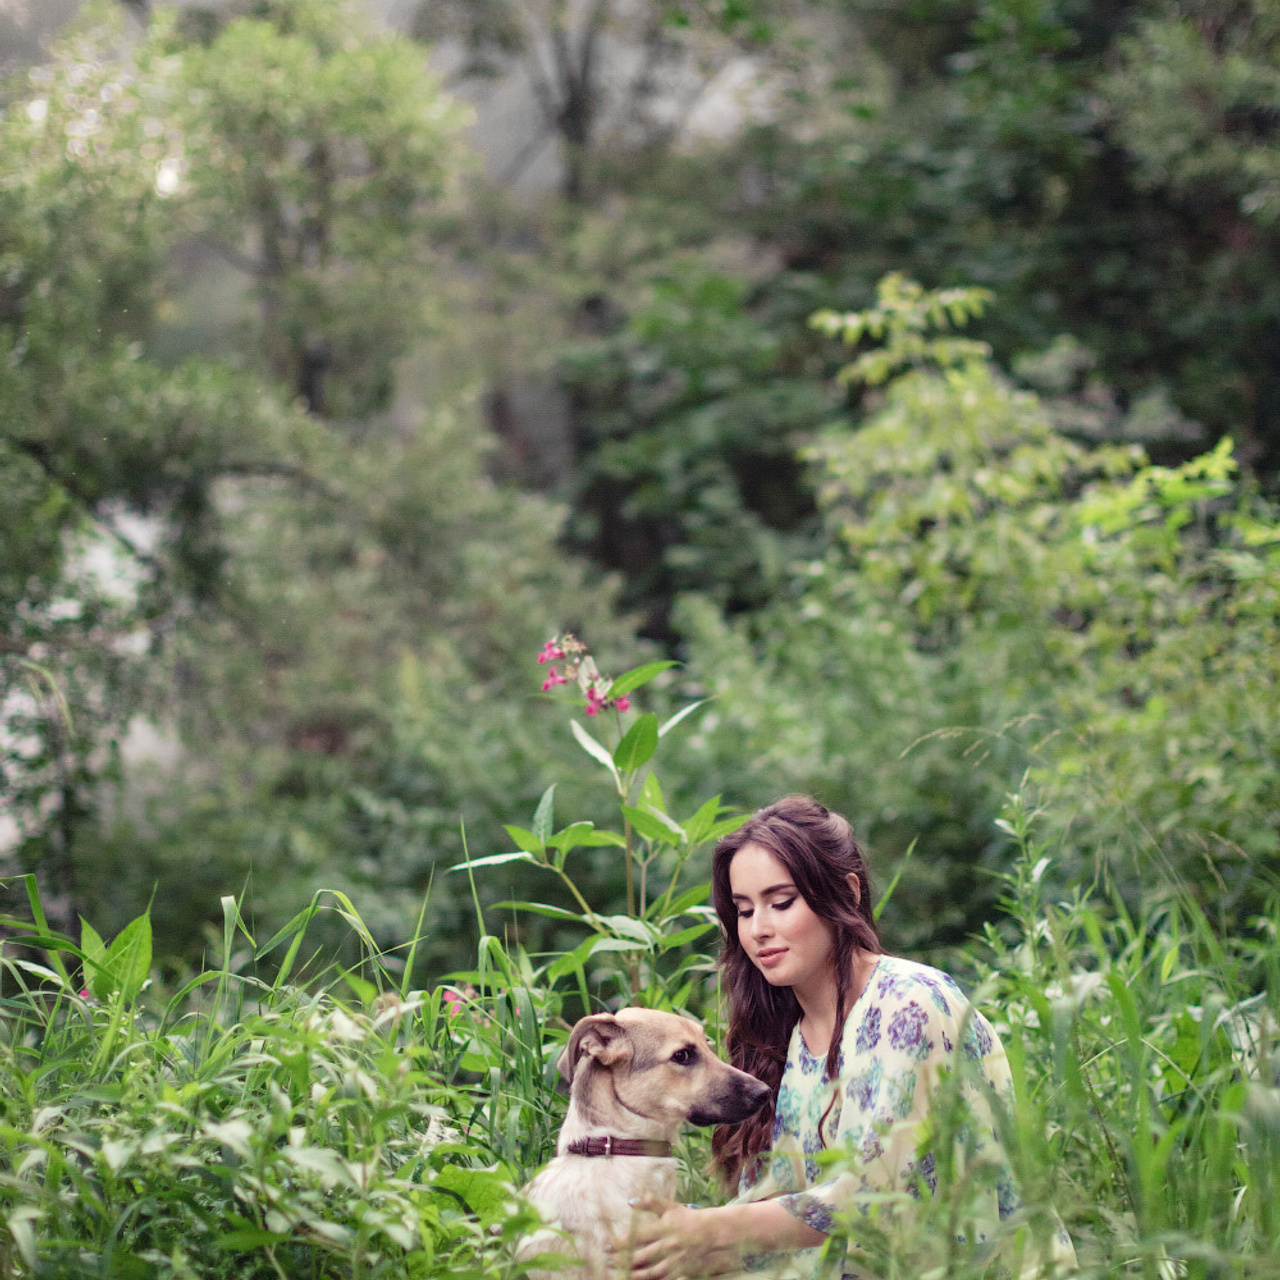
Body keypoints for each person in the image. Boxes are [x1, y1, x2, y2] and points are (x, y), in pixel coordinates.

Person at [614, 795, 1075, 1280]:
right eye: (744, 911)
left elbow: (866, 1196)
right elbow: (772, 1225)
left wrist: (704, 1231)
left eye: (782, 902)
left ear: (848, 893)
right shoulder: (783, 1036)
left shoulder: (908, 1003)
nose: (759, 930)